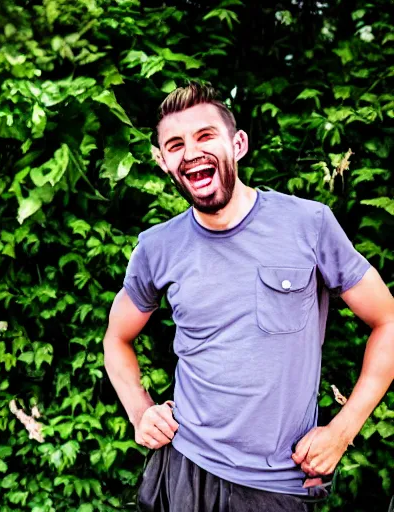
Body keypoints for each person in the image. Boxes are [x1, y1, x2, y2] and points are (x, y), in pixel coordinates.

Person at [103, 82, 394, 511]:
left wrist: (342, 429)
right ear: (164, 162)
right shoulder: (156, 247)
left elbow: (387, 321)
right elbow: (116, 338)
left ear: (237, 144)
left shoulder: (308, 224)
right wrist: (139, 410)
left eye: (205, 136)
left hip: (279, 482)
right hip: (185, 469)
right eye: (176, 144)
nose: (192, 152)